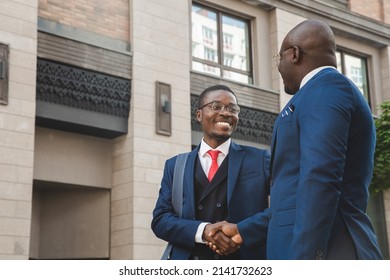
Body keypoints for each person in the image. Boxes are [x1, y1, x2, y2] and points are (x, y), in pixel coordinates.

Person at [209, 19, 383, 260]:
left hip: (329, 251)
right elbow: (294, 198)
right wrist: (242, 230)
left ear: (294, 54)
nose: (278, 67)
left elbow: (320, 180)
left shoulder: (326, 88)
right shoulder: (322, 92)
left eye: (278, 59)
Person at [151, 84, 270, 260]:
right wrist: (204, 231)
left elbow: (284, 207)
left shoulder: (260, 159)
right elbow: (160, 220)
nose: (226, 113)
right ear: (199, 115)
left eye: (232, 109)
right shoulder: (175, 166)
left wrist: (243, 231)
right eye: (216, 106)